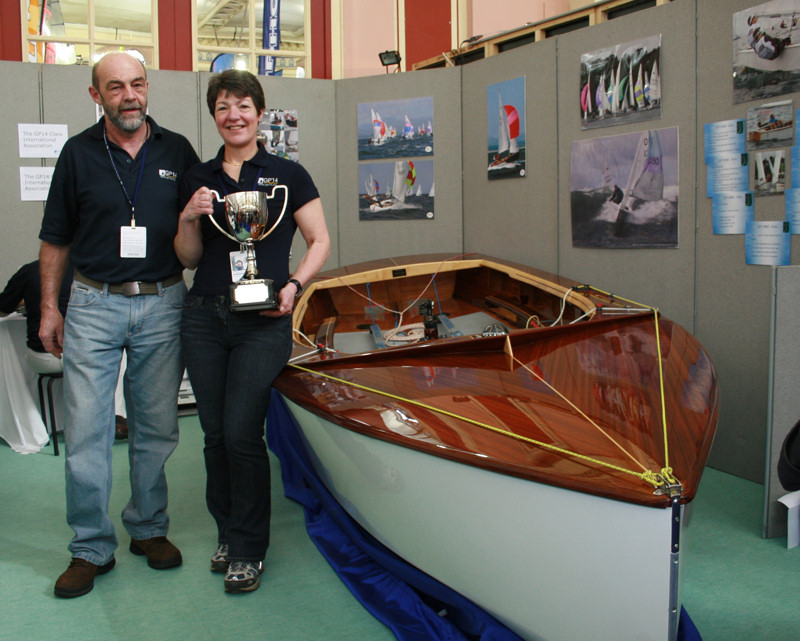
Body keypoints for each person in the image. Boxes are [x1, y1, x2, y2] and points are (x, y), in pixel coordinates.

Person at [38, 51, 200, 599]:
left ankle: (149, 528)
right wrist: (48, 308)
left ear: (147, 87)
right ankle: (89, 547)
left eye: (136, 85)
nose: (128, 96)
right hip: (93, 303)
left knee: (156, 426)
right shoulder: (77, 154)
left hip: (163, 302)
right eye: (115, 87)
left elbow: (196, 234)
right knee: (86, 429)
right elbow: (55, 238)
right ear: (96, 96)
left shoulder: (177, 150)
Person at [174, 69, 330, 594]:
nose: (233, 115)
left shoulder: (289, 175)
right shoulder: (200, 177)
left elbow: (320, 241)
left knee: (242, 433)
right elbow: (189, 259)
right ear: (214, 116)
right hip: (204, 316)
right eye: (222, 107)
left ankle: (248, 548)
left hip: (263, 320)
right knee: (214, 435)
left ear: (260, 113)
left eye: (243, 105)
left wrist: (293, 286)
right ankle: (226, 531)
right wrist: (189, 219)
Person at [0, 260, 129, 440]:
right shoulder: (92, 270)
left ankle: (31, 421)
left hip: (43, 357)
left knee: (18, 354)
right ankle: (114, 417)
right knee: (115, 357)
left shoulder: (29, 271)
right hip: (85, 352)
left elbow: (3, 307)